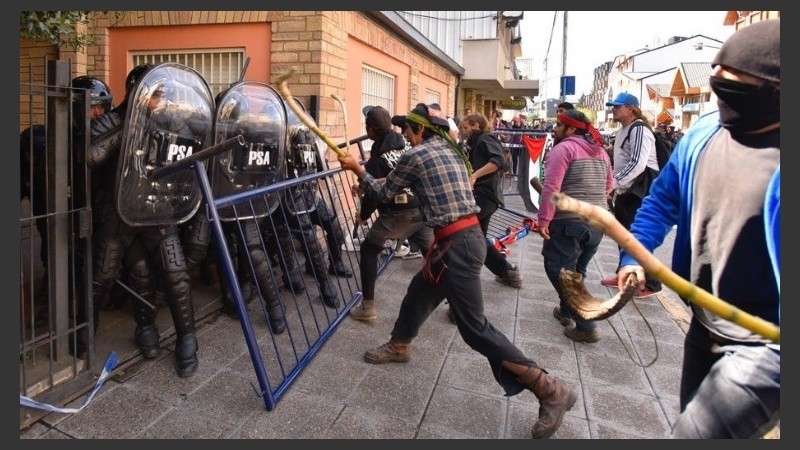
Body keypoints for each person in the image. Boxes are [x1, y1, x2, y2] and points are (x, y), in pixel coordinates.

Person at [337, 103, 576, 439]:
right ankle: (400, 344)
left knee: (474, 328)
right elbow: (408, 182)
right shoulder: (450, 150)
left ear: (421, 130)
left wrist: (356, 170)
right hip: (459, 239)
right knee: (419, 290)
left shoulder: (416, 156)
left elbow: (383, 193)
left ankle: (550, 388)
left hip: (458, 246)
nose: (405, 136)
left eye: (408, 130)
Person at [614, 19, 780, 438]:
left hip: (766, 348)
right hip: (703, 325)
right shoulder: (703, 133)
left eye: (735, 81)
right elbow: (661, 202)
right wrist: (635, 257)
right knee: (688, 413)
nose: (720, 87)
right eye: (717, 76)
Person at [84, 63, 211, 377]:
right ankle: (88, 337)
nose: (159, 99)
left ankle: (187, 338)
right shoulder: (115, 120)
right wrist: (129, 125)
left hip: (158, 210)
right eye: (153, 93)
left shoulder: (169, 121)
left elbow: (192, 142)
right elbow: (91, 156)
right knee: (106, 277)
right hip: (118, 212)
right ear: (136, 93)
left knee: (177, 277)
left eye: (161, 93)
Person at [348, 105, 434, 322]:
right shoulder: (404, 144)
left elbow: (377, 195)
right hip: (420, 210)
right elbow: (381, 180)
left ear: (370, 130)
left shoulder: (377, 159)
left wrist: (364, 215)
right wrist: (364, 185)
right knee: (434, 256)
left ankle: (368, 307)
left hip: (399, 214)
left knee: (368, 249)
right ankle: (455, 302)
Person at [535, 109, 613, 343]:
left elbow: (552, 189)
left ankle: (585, 325)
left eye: (559, 125)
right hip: (598, 223)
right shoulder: (601, 152)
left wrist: (544, 220)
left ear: (571, 129)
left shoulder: (563, 149)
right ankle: (567, 310)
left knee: (558, 270)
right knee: (576, 270)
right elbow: (610, 186)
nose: (555, 129)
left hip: (570, 222)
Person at [600, 92, 662, 298]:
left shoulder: (640, 130)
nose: (613, 110)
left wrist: (614, 184)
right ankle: (624, 276)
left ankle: (651, 284)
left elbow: (638, 163)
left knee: (637, 238)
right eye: (613, 106)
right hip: (628, 189)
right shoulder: (625, 129)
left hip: (639, 190)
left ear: (631, 109)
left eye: (617, 107)